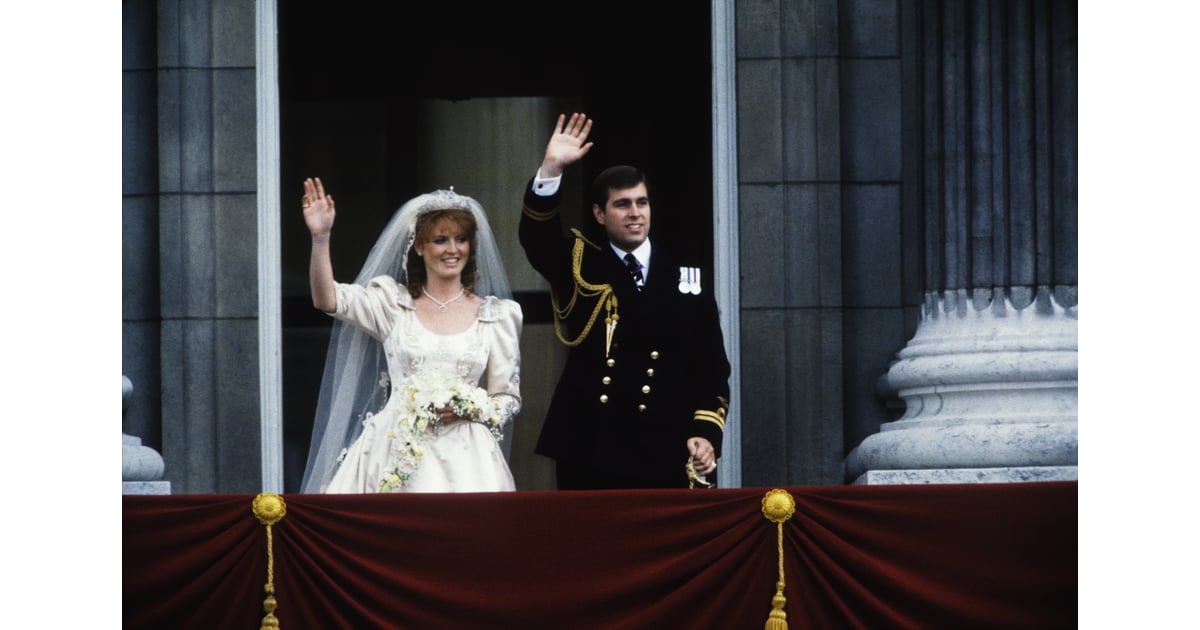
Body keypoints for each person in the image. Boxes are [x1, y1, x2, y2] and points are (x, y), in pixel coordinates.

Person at [520, 113, 731, 489]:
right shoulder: (580, 264)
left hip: (664, 443)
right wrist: (551, 169)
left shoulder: (685, 274)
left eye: (641, 202)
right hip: (591, 447)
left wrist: (705, 433)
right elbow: (537, 238)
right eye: (622, 205)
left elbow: (711, 368)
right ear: (599, 214)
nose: (635, 213)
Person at [299, 177, 523, 494]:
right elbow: (327, 299)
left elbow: (507, 398)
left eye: (461, 239)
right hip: (392, 446)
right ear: (419, 246)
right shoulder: (393, 305)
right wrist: (320, 238)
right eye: (440, 240)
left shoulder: (496, 315)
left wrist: (472, 409)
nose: (452, 250)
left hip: (468, 458)